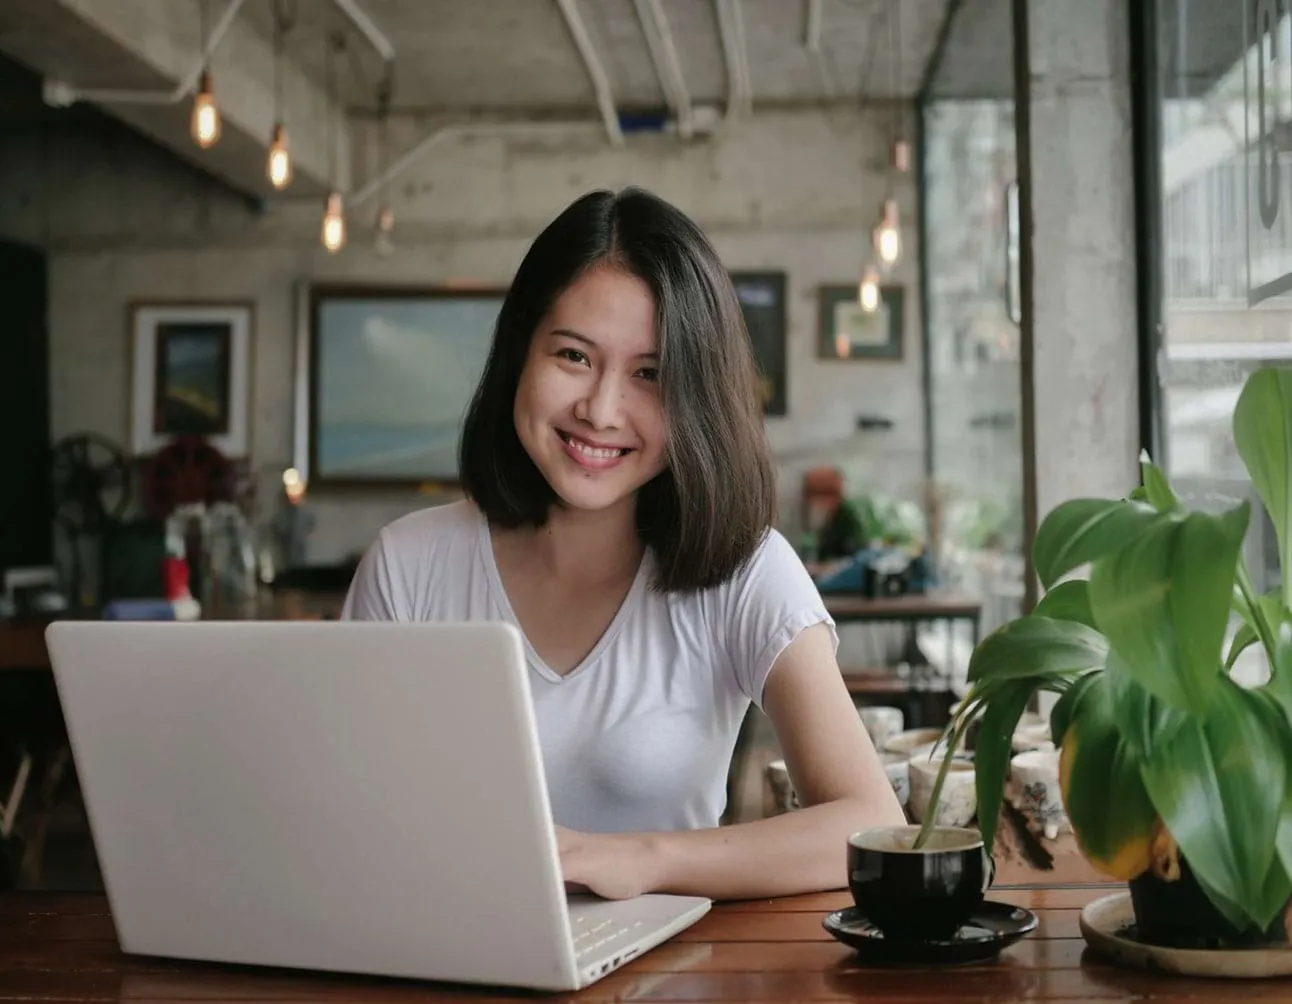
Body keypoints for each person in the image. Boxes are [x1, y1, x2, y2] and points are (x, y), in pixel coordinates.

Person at [341, 187, 906, 902]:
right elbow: (346, 815)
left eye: (650, 374)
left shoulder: (744, 569)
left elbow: (868, 823)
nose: (601, 411)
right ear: (520, 351)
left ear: (696, 396)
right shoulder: (407, 565)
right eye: (574, 356)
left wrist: (645, 859)